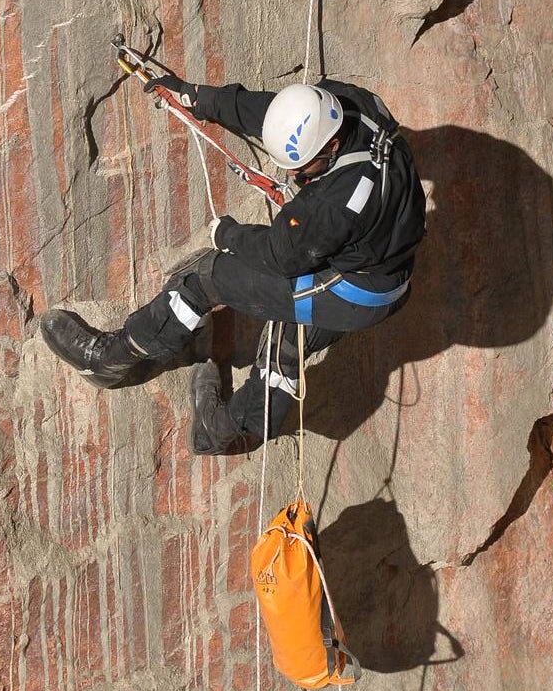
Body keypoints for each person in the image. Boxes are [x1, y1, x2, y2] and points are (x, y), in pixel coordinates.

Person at [39, 73, 426, 455]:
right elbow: (275, 114)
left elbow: (280, 255)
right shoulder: (351, 105)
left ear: (333, 145)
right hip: (386, 273)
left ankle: (110, 359)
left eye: (301, 169)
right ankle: (217, 432)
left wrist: (226, 235)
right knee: (287, 343)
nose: (292, 176)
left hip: (351, 291)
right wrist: (200, 99)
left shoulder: (334, 205)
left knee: (205, 276)